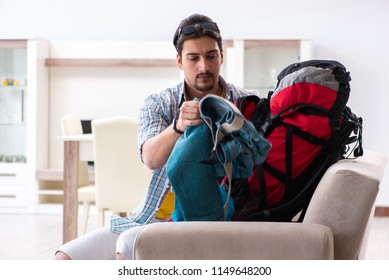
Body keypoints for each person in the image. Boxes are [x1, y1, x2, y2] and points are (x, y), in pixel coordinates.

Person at [55, 13, 259, 260]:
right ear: (179, 61)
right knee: (64, 258)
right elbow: (150, 158)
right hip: (152, 217)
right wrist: (178, 125)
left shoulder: (246, 102)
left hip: (215, 219)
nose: (203, 67)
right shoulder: (159, 103)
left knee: (127, 248)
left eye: (211, 56)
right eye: (193, 58)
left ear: (222, 56)